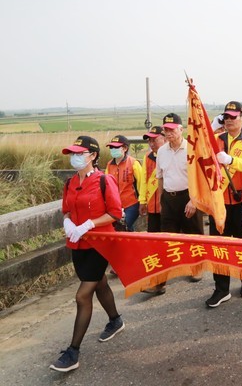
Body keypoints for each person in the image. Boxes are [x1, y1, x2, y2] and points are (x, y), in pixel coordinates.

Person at [50, 136, 125, 372]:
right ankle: (115, 320)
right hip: (78, 245)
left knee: (83, 296)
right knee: (99, 283)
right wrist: (68, 223)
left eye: (80, 153)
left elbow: (115, 213)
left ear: (93, 155)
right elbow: (67, 210)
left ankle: (73, 351)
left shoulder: (105, 180)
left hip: (100, 244)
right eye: (73, 153)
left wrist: (89, 224)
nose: (75, 157)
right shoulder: (69, 182)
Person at [206, 101, 242, 308]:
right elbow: (198, 150)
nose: (229, 120)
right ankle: (221, 289)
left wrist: (229, 160)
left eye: (233, 116)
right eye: (226, 117)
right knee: (219, 246)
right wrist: (211, 128)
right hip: (219, 201)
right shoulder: (217, 139)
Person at [156, 113, 203, 281]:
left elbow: (200, 177)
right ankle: (165, 276)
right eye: (166, 130)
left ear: (181, 129)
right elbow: (160, 177)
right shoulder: (161, 151)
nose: (169, 133)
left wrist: (194, 200)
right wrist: (162, 199)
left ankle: (196, 267)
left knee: (193, 235)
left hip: (188, 197)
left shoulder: (192, 148)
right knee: (168, 237)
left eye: (172, 129)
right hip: (169, 198)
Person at [138, 126, 168, 295]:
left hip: (169, 206)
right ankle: (158, 282)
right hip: (153, 207)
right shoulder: (147, 157)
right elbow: (143, 180)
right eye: (149, 140)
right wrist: (142, 200)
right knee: (155, 244)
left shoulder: (172, 154)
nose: (151, 143)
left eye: (154, 139)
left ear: (164, 138)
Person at [105, 135, 142, 231]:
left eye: (116, 147)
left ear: (125, 148)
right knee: (127, 230)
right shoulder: (109, 165)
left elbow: (141, 184)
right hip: (115, 205)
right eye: (111, 147)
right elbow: (106, 185)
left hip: (131, 204)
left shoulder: (133, 163)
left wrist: (143, 202)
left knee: (122, 227)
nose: (113, 149)